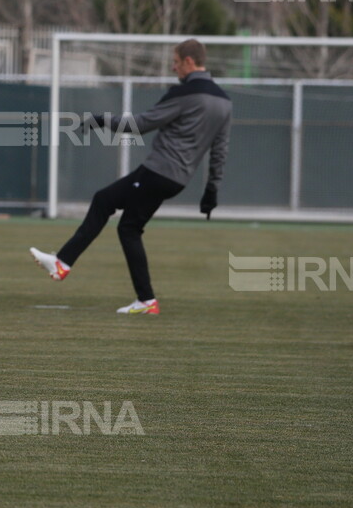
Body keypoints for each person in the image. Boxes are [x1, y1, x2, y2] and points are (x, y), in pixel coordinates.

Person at [29, 38, 231, 313]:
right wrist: (211, 191)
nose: (173, 68)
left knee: (103, 201)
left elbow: (140, 124)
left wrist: (102, 120)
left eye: (175, 62)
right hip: (178, 179)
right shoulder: (224, 101)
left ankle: (63, 263)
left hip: (159, 171)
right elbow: (219, 150)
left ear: (188, 61)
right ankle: (146, 300)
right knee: (128, 228)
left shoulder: (184, 93)